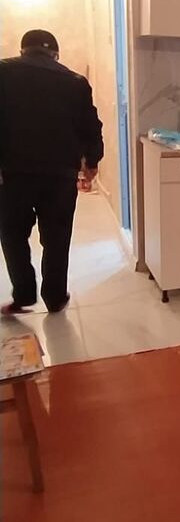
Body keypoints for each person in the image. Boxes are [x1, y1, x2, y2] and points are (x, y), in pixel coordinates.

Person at [0, 29, 103, 315]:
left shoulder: (3, 72)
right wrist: (92, 162)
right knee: (57, 237)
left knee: (12, 234)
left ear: (23, 50)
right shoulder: (75, 82)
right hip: (60, 175)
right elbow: (91, 127)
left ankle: (23, 294)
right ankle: (55, 297)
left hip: (13, 173)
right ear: (56, 54)